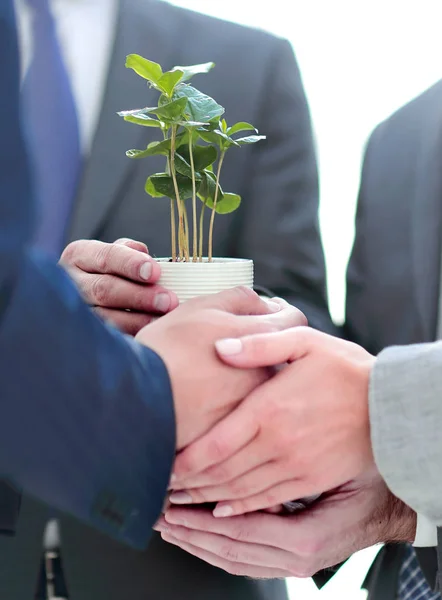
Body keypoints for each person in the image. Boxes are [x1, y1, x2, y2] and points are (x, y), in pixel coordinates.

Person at [13, 0, 334, 599]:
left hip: (181, 566)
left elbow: (304, 317)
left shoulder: (249, 63)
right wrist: (47, 314)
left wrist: (217, 327)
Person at [159, 81, 442, 599]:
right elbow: (366, 375)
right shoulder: (399, 138)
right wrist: (389, 506)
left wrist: (378, 405)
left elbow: (371, 397)